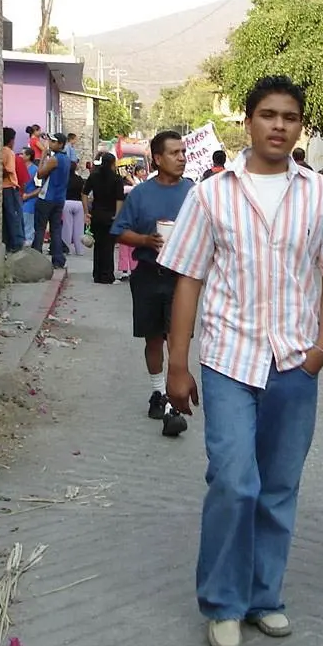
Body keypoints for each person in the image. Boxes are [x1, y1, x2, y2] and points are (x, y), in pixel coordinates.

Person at [162, 75, 323, 646]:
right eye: (268, 114)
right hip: (229, 359)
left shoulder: (321, 195)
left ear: (300, 126)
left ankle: (264, 597)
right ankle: (223, 603)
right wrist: (179, 365)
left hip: (294, 364)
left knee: (279, 486)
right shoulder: (211, 195)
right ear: (248, 122)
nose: (279, 125)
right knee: (233, 480)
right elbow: (188, 281)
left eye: (291, 116)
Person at [111, 130, 196, 437]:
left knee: (178, 338)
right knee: (154, 340)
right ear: (158, 159)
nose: (182, 158)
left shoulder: (194, 192)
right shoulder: (141, 195)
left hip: (181, 279)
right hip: (148, 274)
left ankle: (173, 405)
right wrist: (146, 239)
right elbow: (118, 231)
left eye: (183, 152)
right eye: (174, 153)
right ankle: (158, 391)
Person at [84, 153, 125, 284]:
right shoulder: (117, 179)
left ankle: (97, 274)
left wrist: (86, 212)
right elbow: (119, 199)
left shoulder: (94, 176)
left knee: (98, 245)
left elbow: (84, 193)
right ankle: (107, 275)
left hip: (96, 213)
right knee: (108, 246)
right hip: (110, 215)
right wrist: (117, 215)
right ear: (113, 163)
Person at [32, 132, 70, 269]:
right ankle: (58, 259)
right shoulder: (66, 159)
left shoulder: (54, 159)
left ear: (60, 144)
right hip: (60, 198)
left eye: (54, 142)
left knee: (40, 228)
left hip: (47, 197)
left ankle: (35, 258)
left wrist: (42, 158)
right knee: (55, 229)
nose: (50, 144)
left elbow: (40, 173)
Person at [0, 127, 25, 253]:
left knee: (8, 216)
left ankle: (9, 242)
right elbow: (7, 170)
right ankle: (16, 243)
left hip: (6, 188)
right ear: (11, 140)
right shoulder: (8, 152)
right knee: (14, 215)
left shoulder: (2, 151)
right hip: (9, 187)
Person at [63, 161, 89, 256]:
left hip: (66, 202)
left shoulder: (64, 179)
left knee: (67, 227)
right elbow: (83, 193)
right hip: (79, 203)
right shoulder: (80, 179)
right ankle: (80, 250)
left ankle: (66, 248)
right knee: (79, 228)